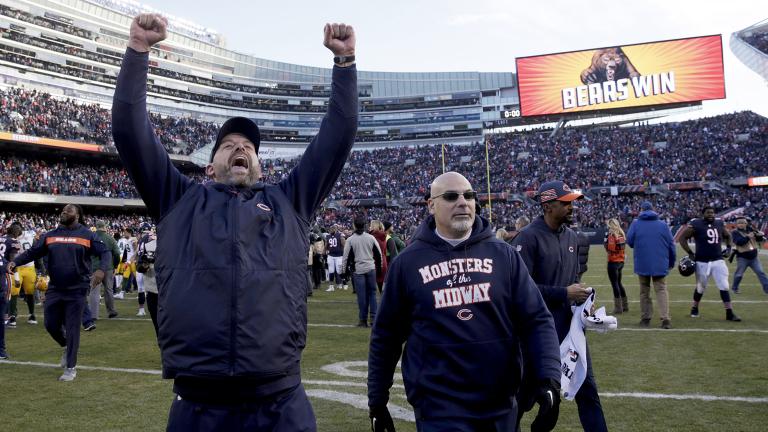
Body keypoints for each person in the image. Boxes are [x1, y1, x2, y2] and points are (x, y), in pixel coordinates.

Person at [111, 14, 357, 430]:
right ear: (210, 167)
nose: (240, 149)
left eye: (248, 147)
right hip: (199, 404)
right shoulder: (177, 200)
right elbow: (129, 132)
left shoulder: (290, 200)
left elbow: (338, 135)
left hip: (280, 402)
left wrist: (346, 63)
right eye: (228, 146)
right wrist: (138, 50)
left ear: (259, 165)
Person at [368, 172, 561, 432]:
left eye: (469, 195)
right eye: (451, 196)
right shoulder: (407, 263)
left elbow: (536, 319)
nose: (463, 202)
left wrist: (549, 379)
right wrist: (377, 401)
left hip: (499, 406)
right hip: (439, 409)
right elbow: (386, 336)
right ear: (431, 205)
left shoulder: (504, 255)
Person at [511, 180, 608, 432]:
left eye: (572, 202)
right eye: (566, 202)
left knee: (588, 392)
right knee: (523, 400)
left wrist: (583, 298)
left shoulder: (572, 237)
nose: (572, 207)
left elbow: (571, 281)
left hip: (571, 331)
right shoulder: (528, 238)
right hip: (536, 334)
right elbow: (520, 290)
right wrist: (564, 293)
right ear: (548, 205)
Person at [7, 204, 108, 381]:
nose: (63, 212)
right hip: (55, 288)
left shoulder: (87, 234)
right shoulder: (50, 235)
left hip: (77, 288)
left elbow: (105, 252)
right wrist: (16, 262)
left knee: (72, 327)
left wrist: (102, 270)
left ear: (77, 215)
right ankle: (66, 345)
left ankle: (71, 368)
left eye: (68, 210)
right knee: (50, 324)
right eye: (63, 210)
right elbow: (33, 252)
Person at [679, 206, 741, 321]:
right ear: (703, 214)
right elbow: (682, 238)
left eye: (712, 213)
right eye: (708, 213)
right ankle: (694, 308)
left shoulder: (719, 223)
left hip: (718, 260)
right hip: (702, 262)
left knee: (724, 285)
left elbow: (728, 236)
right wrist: (690, 253)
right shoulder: (696, 224)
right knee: (701, 287)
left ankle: (729, 312)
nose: (711, 214)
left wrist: (728, 248)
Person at [626, 202, 676, 329]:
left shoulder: (636, 223)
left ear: (641, 210)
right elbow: (671, 245)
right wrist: (671, 262)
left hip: (642, 262)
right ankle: (665, 319)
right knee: (661, 290)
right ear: (653, 210)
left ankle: (645, 318)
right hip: (660, 263)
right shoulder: (663, 225)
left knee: (644, 291)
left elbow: (630, 241)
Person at [342, 216, 382, 327]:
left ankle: (362, 320)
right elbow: (378, 255)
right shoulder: (371, 238)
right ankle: (374, 319)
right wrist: (379, 270)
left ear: (354, 225)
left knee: (362, 296)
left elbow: (345, 258)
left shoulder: (350, 240)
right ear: (365, 225)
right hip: (370, 268)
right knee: (372, 295)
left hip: (358, 271)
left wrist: (343, 273)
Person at [90, 220, 121, 320]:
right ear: (104, 227)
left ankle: (93, 315)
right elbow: (117, 254)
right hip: (108, 267)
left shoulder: (92, 237)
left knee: (94, 290)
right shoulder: (110, 239)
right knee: (108, 290)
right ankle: (111, 311)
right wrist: (115, 265)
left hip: (94, 267)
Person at [730, 217, 768, 294]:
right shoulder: (735, 232)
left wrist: (759, 236)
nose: (741, 225)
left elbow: (759, 240)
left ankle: (767, 289)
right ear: (737, 224)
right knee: (739, 274)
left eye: (743, 223)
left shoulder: (751, 230)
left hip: (754, 257)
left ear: (746, 224)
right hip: (742, 257)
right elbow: (739, 242)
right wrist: (748, 237)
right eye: (739, 223)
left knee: (761, 272)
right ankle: (735, 288)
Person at [136, 222, 159, 336]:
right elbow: (139, 266)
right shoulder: (146, 240)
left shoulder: (179, 237)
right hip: (153, 289)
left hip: (173, 290)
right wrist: (145, 264)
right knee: (159, 330)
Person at [604, 218, 628, 314]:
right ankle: (625, 305)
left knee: (615, 284)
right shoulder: (621, 234)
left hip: (613, 262)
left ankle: (618, 308)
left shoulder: (612, 235)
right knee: (619, 283)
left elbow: (610, 249)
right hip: (620, 261)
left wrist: (605, 242)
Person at [325, 224, 347, 292]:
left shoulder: (340, 235)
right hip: (331, 255)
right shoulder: (328, 236)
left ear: (336, 229)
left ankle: (344, 283)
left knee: (339, 271)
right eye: (331, 229)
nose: (332, 230)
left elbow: (344, 244)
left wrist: (344, 252)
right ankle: (331, 286)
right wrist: (324, 252)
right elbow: (326, 245)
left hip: (339, 256)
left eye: (333, 229)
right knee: (331, 270)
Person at [369, 220, 389, 292]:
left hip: (375, 262)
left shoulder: (373, 237)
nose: (369, 227)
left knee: (371, 289)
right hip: (383, 261)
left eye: (371, 225)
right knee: (381, 286)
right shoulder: (383, 236)